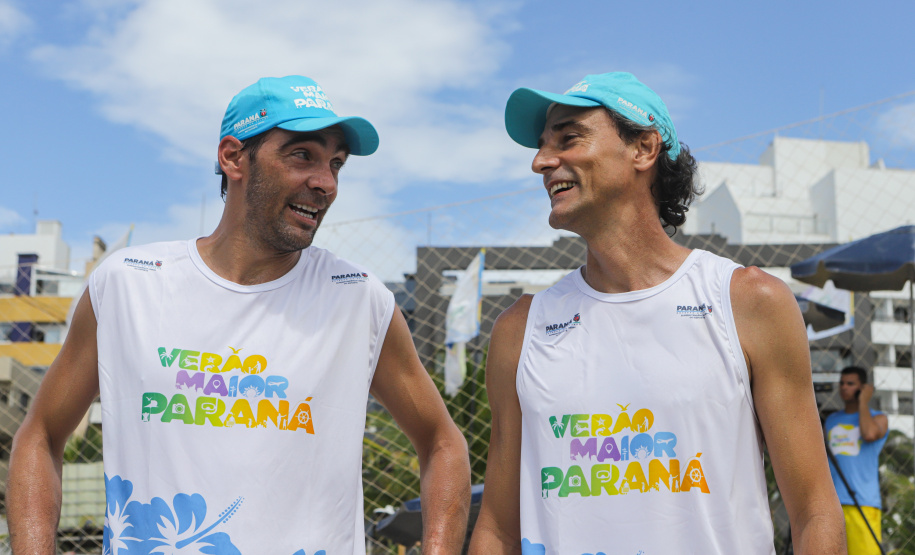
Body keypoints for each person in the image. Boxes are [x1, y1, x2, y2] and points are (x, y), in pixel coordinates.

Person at [8, 75, 471, 555]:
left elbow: (444, 444)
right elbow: (39, 435)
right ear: (233, 158)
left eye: (336, 163)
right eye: (302, 156)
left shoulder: (358, 300)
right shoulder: (129, 283)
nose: (326, 183)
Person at [469, 72, 845, 554]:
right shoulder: (521, 329)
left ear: (643, 149)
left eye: (569, 137)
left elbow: (815, 511)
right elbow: (498, 528)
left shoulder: (749, 302)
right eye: (543, 145)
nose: (541, 161)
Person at [825, 366, 889, 554]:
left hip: (862, 501)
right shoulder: (831, 420)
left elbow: (869, 434)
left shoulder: (879, 418)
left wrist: (863, 402)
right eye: (842, 383)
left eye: (851, 384)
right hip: (833, 502)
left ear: (863, 387)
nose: (844, 387)